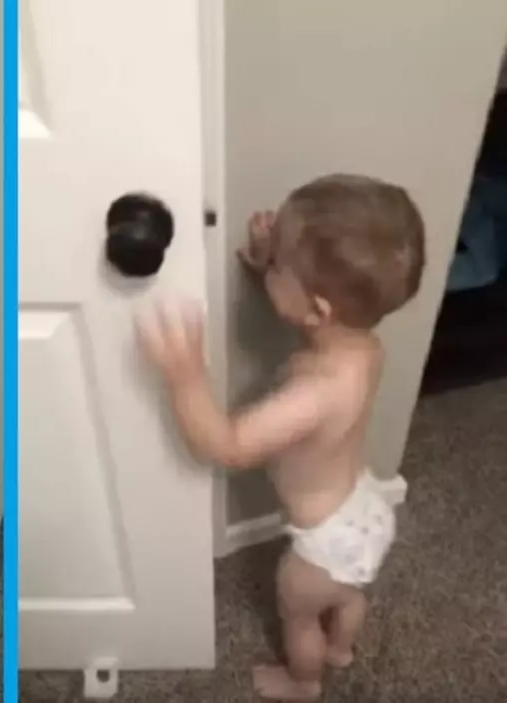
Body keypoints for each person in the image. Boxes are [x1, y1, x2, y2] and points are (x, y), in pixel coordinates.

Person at [136, 174, 426, 701]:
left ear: (316, 308)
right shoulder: (361, 348)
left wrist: (185, 380)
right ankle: (342, 646)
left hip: (321, 545)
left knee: (298, 614)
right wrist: (269, 263)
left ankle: (305, 679)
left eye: (276, 267)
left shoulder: (313, 392)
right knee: (348, 594)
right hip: (363, 506)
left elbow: (227, 444)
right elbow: (310, 320)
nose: (266, 265)